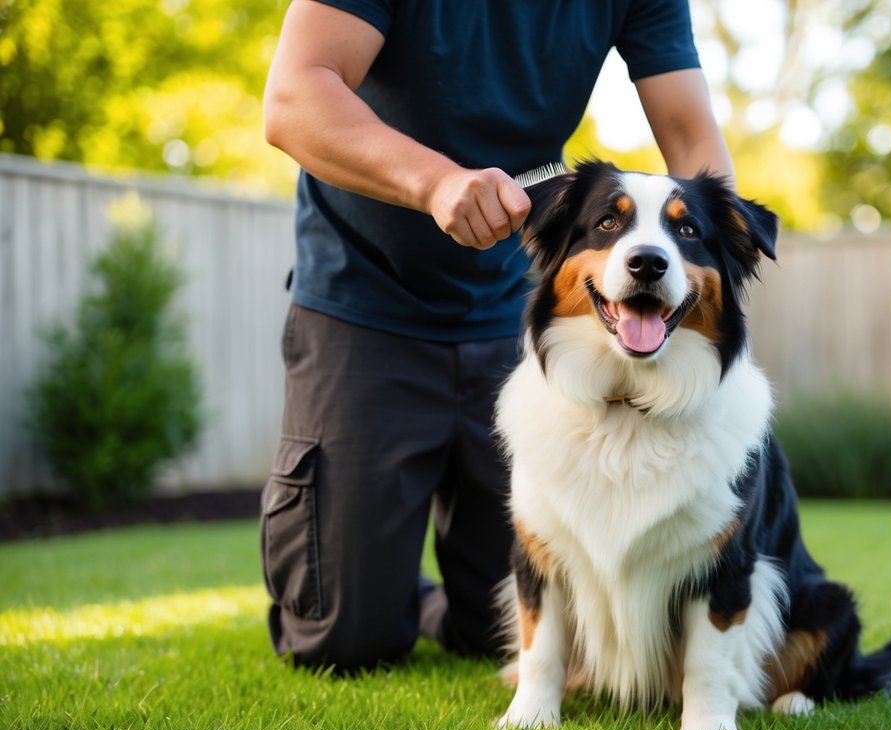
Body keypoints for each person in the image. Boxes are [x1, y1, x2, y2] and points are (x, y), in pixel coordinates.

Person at [259, 0, 736, 672]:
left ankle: (428, 603)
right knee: (344, 641)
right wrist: (435, 183)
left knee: (508, 626)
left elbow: (692, 141)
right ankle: (383, 594)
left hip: (513, 323)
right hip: (365, 303)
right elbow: (292, 98)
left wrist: (710, 278)